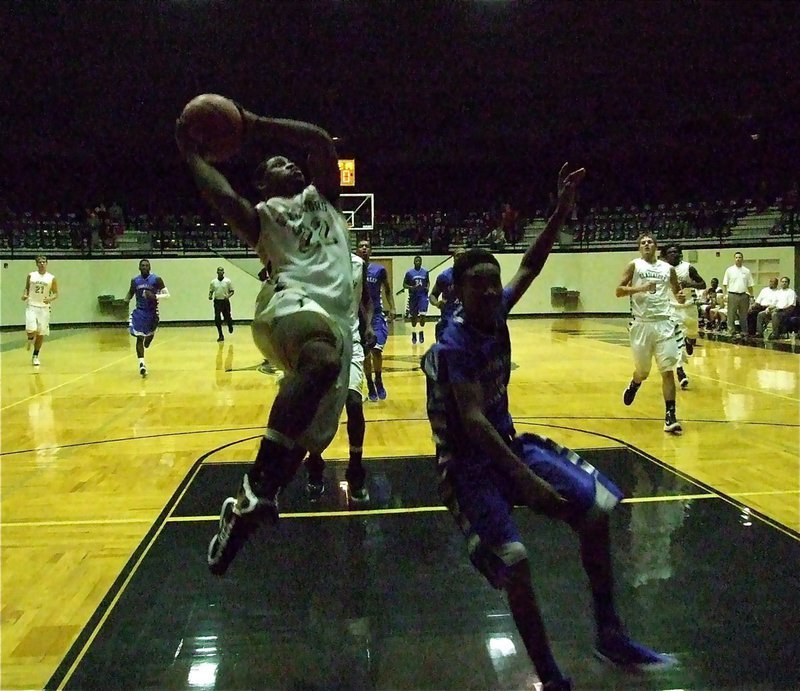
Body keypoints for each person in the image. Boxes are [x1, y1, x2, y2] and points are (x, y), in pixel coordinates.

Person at [421, 165, 675, 691]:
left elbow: (531, 265)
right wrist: (527, 482)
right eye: (480, 286)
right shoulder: (453, 346)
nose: (493, 292)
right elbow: (471, 423)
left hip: (508, 445)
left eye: (495, 284)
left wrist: (560, 209)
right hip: (468, 468)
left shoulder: (497, 312)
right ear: (459, 294)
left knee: (597, 511)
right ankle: (551, 678)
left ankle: (609, 633)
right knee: (515, 563)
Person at [176, 103, 354, 576]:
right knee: (320, 361)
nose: (291, 163)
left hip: (339, 322)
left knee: (307, 437)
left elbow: (317, 137)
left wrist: (257, 123)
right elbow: (222, 199)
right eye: (277, 163)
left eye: (289, 161)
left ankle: (246, 510)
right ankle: (257, 484)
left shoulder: (326, 198)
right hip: (291, 302)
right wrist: (192, 157)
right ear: (262, 183)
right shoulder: (261, 217)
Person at [305, 252, 375, 503]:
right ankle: (314, 463)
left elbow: (365, 301)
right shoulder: (309, 262)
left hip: (351, 342)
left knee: (355, 404)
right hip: (319, 341)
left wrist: (367, 326)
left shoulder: (358, 264)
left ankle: (356, 470)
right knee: (317, 411)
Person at [617, 234, 686, 434]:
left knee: (667, 370)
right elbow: (619, 290)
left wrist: (680, 297)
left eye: (650, 242)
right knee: (643, 371)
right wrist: (641, 288)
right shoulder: (635, 266)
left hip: (664, 323)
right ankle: (635, 383)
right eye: (643, 242)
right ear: (639, 247)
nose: (647, 245)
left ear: (656, 247)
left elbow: (677, 294)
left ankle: (670, 416)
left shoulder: (668, 269)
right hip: (641, 325)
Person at [355, 239, 396, 401]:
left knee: (377, 349)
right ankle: (370, 384)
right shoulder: (353, 269)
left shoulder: (379, 270)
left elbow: (387, 290)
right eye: (361, 246)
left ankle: (378, 380)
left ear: (371, 250)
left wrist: (392, 307)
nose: (364, 248)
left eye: (367, 246)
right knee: (365, 354)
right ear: (357, 250)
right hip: (359, 316)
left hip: (377, 315)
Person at [661, 244, 706, 390]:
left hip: (690, 307)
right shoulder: (662, 269)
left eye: (675, 252)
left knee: (693, 335)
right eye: (670, 252)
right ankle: (680, 371)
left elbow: (703, 284)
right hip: (673, 309)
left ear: (680, 254)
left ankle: (689, 341)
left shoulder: (688, 268)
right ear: (665, 255)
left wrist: (689, 283)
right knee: (676, 342)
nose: (673, 254)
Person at [124, 258, 169, 377]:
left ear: (150, 267)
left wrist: (154, 296)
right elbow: (130, 292)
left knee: (148, 337)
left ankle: (149, 338)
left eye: (146, 265)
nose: (144, 267)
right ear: (139, 268)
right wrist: (126, 300)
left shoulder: (157, 280)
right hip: (140, 312)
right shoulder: (135, 281)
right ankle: (142, 364)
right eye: (142, 265)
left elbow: (167, 295)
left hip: (152, 312)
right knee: (139, 337)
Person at [22, 255, 58, 367]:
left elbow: (56, 294)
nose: (42, 264)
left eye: (44, 262)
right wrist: (24, 294)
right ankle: (30, 338)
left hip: (44, 307)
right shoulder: (31, 276)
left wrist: (50, 299)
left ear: (47, 263)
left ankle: (35, 356)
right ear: (36, 264)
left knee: (41, 333)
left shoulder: (51, 278)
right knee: (31, 329)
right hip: (32, 305)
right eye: (39, 262)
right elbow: (27, 288)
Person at [430, 246, 466, 341]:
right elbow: (433, 295)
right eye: (458, 255)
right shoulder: (445, 276)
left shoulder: (473, 276)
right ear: (453, 258)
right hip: (448, 320)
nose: (461, 257)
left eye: (463, 255)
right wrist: (437, 303)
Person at [722, 251, 754, 338]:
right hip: (732, 294)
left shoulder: (747, 271)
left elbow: (750, 285)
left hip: (744, 295)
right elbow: (725, 284)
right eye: (736, 257)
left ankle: (744, 331)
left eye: (740, 257)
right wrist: (725, 295)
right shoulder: (729, 270)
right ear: (734, 259)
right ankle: (731, 331)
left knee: (743, 315)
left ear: (742, 259)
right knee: (731, 314)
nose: (738, 259)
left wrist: (752, 296)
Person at [402, 255, 430, 345]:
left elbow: (428, 281)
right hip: (413, 296)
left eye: (419, 261)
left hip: (423, 296)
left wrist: (428, 287)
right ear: (414, 262)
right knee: (414, 317)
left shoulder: (425, 272)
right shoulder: (409, 273)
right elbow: (404, 285)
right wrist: (411, 287)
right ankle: (414, 333)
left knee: (422, 315)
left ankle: (421, 332)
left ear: (421, 262)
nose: (418, 262)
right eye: (416, 261)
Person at [209, 266, 235, 342]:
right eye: (219, 271)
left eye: (222, 271)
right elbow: (211, 290)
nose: (220, 272)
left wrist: (228, 296)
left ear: (223, 272)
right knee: (217, 318)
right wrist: (210, 296)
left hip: (225, 301)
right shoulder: (213, 282)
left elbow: (232, 291)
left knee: (227, 316)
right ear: (217, 272)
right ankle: (220, 335)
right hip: (217, 301)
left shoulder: (228, 281)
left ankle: (230, 325)